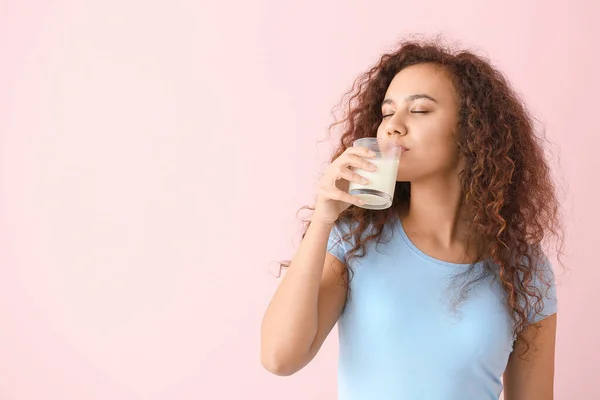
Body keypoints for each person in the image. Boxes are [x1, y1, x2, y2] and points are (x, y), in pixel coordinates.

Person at [260, 37, 563, 400]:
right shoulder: (354, 241)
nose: (392, 126)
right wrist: (323, 220)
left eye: (419, 110)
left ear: (473, 128)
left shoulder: (525, 271)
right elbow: (280, 358)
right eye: (387, 113)